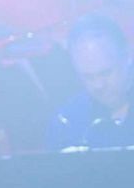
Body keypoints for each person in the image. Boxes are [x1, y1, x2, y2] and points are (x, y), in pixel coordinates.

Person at [47, 14, 134, 150]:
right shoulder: (67, 121)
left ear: (127, 56)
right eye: (88, 77)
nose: (98, 85)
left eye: (106, 73)